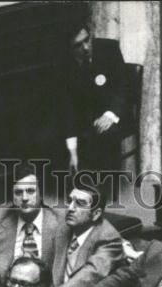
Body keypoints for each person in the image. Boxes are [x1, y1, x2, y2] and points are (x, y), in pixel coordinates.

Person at [0, 166, 59, 287]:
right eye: (18, 192)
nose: (24, 198)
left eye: (30, 191)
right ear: (12, 197)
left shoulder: (58, 222)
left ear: (41, 194)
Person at [65, 24, 130, 174]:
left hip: (115, 113)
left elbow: (124, 87)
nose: (86, 47)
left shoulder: (109, 48)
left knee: (106, 133)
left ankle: (106, 186)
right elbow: (69, 106)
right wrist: (72, 150)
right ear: (70, 49)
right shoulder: (67, 65)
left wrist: (109, 115)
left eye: (87, 40)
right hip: (88, 117)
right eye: (78, 45)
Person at [46, 184, 124, 287]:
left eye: (80, 203)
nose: (71, 208)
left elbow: (92, 272)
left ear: (96, 214)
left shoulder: (109, 237)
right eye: (69, 201)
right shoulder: (63, 227)